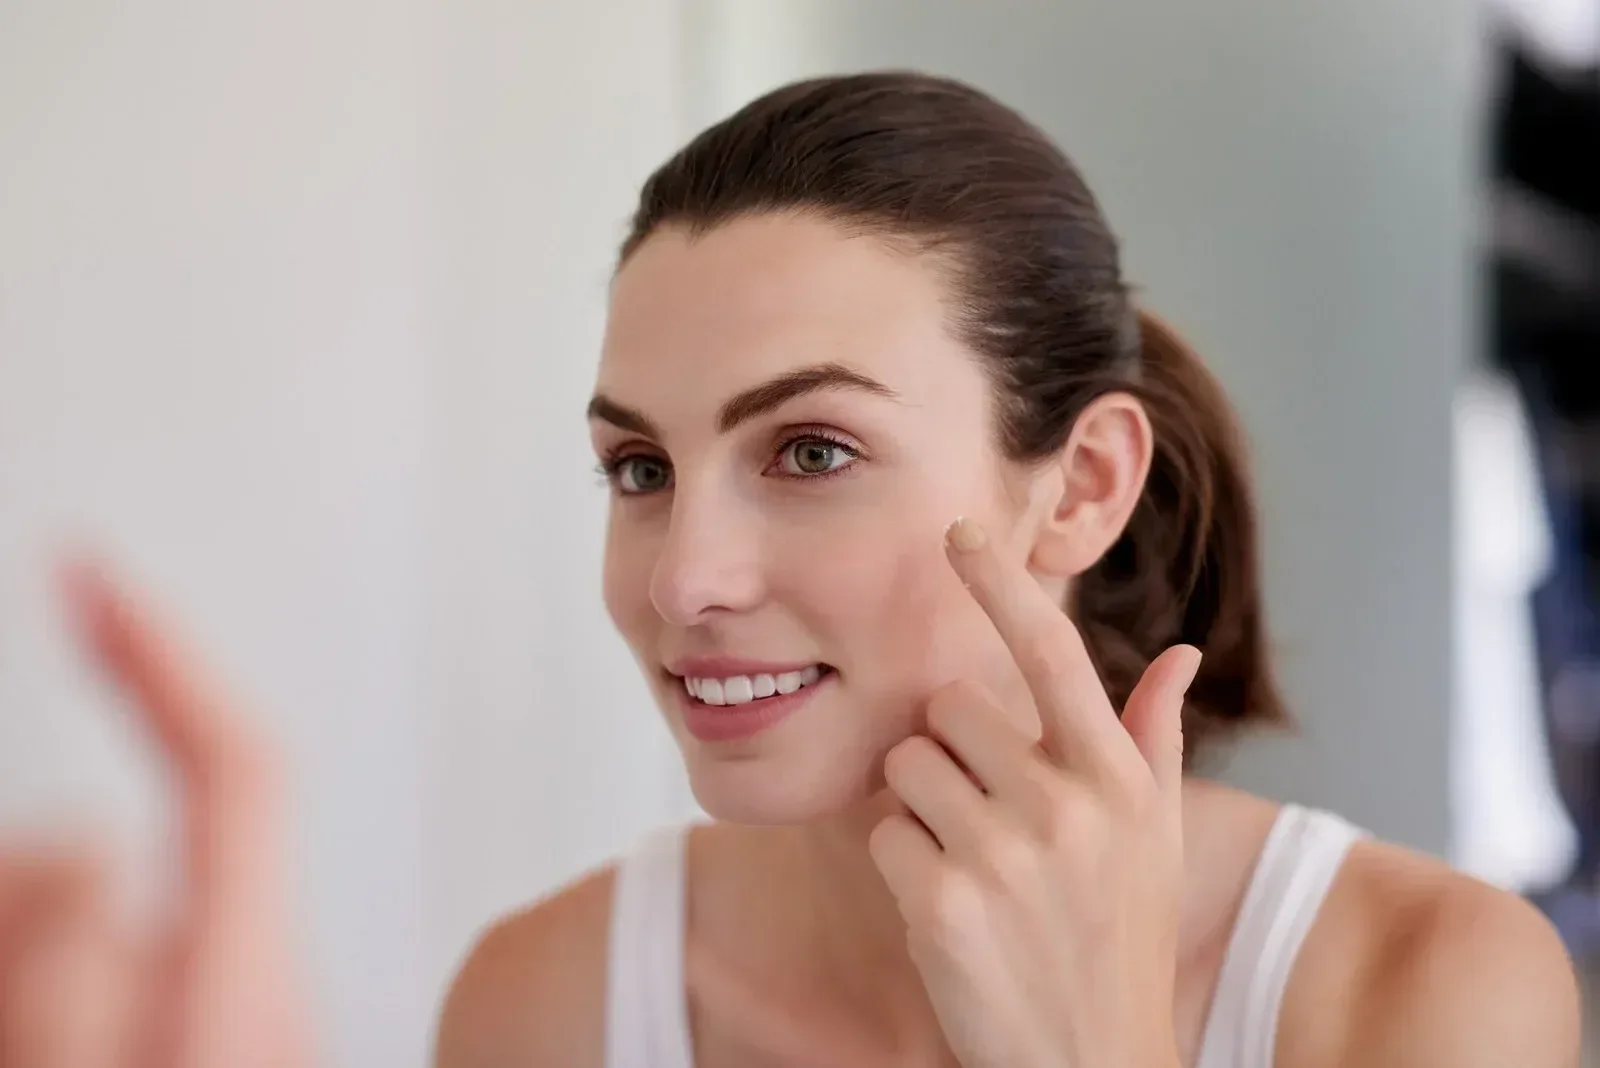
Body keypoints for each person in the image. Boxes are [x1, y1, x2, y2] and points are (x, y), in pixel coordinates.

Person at [0, 71, 1580, 1068]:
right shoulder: (546, 1006)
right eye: (639, 469)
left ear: (1080, 487)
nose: (682, 579)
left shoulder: (1419, 996)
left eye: (809, 452)